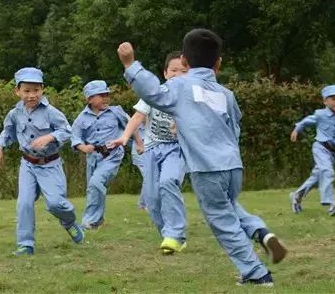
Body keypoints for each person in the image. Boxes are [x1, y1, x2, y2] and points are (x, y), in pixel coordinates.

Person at [117, 29, 287, 286]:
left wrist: (131, 64)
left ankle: (256, 274)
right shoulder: (226, 94)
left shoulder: (180, 86)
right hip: (232, 166)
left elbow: (151, 92)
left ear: (183, 62)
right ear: (218, 63)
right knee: (228, 206)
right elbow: (235, 128)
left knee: (221, 221)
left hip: (206, 169)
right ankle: (260, 231)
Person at [0, 67, 84, 256]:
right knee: (24, 203)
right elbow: (7, 133)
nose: (31, 95)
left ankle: (69, 222)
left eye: (36, 90)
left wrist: (49, 137)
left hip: (51, 164)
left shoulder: (51, 112)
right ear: (17, 91)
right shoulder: (14, 114)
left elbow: (67, 131)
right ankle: (26, 244)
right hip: (28, 165)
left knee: (56, 204)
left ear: (42, 90)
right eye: (26, 91)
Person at [109, 51, 188, 255]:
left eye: (184, 71)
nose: (178, 74)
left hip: (176, 150)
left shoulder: (190, 96)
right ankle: (168, 236)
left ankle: (175, 234)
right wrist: (125, 137)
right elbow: (137, 117)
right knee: (152, 199)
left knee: (168, 182)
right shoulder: (156, 93)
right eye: (174, 70)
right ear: (165, 73)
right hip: (152, 148)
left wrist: (182, 127)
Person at [71, 80, 139, 230]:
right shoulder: (81, 119)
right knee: (93, 188)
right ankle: (98, 220)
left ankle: (88, 222)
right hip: (93, 158)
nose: (105, 98)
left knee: (96, 183)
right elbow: (74, 137)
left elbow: (132, 127)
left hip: (112, 155)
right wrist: (83, 147)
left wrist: (139, 143)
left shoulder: (116, 112)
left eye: (107, 94)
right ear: (89, 99)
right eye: (101, 95)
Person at [289, 85, 335, 216]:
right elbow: (306, 121)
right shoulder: (320, 115)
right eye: (333, 99)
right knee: (327, 171)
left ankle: (297, 195)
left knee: (317, 176)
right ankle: (331, 204)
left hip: (334, 152)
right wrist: (296, 129)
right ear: (325, 101)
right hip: (321, 148)